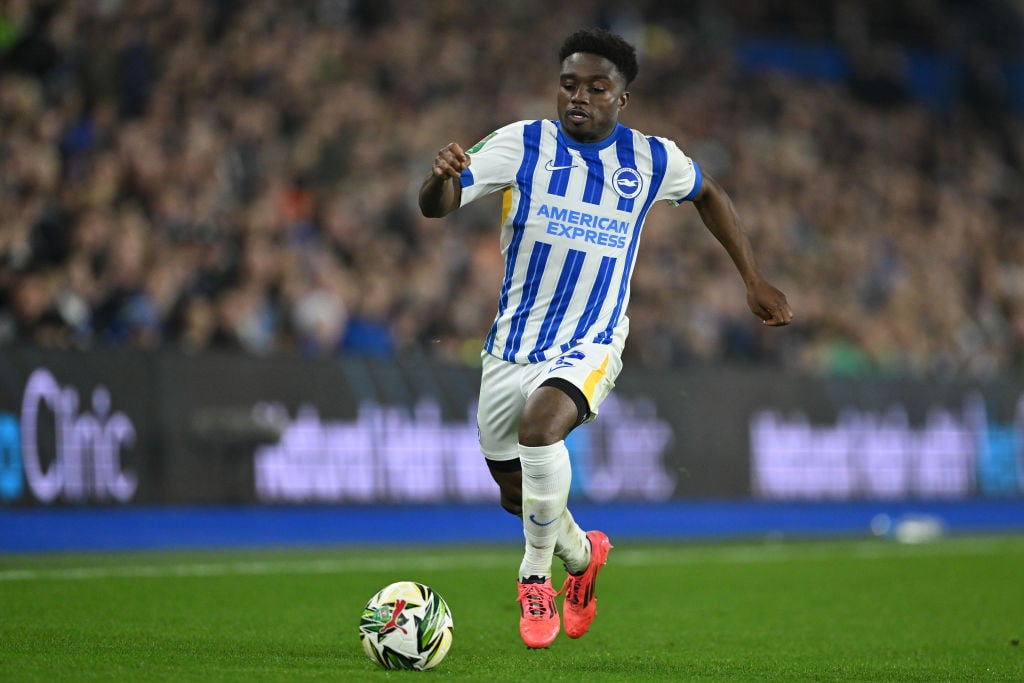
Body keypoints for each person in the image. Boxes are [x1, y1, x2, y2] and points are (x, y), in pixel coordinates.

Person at [418, 27, 793, 649]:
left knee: (542, 430)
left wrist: (752, 278)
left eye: (597, 87)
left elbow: (710, 195)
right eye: (569, 85)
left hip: (592, 340)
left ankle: (534, 578)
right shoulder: (521, 144)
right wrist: (439, 177)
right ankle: (579, 556)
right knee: (516, 494)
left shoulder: (651, 159)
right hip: (512, 344)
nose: (580, 97)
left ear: (623, 98)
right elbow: (438, 205)